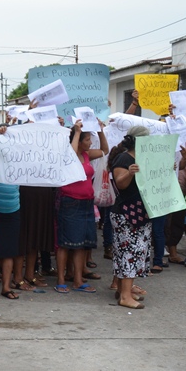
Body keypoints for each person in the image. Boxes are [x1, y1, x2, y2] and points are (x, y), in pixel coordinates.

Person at [55, 120, 108, 293]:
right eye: (87, 140)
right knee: (65, 243)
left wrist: (100, 131)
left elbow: (105, 150)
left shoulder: (87, 155)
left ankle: (78, 279)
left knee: (81, 244)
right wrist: (77, 132)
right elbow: (71, 153)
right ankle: (61, 279)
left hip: (86, 203)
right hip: (70, 202)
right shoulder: (66, 154)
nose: (90, 143)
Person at [109, 125, 152, 309]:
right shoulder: (124, 158)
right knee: (129, 253)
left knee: (135, 252)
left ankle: (122, 289)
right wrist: (130, 172)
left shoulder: (145, 157)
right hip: (127, 212)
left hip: (141, 211)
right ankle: (125, 296)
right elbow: (120, 183)